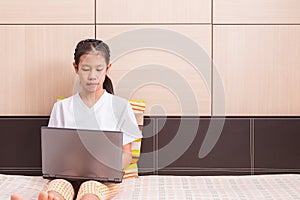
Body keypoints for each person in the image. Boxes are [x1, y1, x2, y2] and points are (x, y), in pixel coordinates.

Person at [11, 39, 143, 200]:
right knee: (57, 188)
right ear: (76, 68)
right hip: (67, 176)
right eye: (86, 69)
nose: (92, 76)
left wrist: (107, 168)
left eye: (99, 69)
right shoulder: (62, 107)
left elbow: (127, 154)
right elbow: (54, 153)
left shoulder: (121, 107)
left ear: (108, 69)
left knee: (90, 189)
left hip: (102, 180)